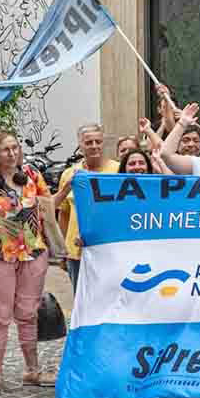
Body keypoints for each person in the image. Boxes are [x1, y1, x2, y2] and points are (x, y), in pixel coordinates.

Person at [0, 132, 59, 397]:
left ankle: (32, 369)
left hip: (33, 252)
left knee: (28, 314)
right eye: (5, 149)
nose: (12, 153)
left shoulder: (31, 174)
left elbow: (49, 206)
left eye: (15, 147)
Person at [58, 124, 121, 293]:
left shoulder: (118, 171)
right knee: (80, 299)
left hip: (109, 250)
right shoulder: (69, 174)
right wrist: (63, 249)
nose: (94, 146)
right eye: (88, 142)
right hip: (76, 252)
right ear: (80, 145)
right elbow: (64, 214)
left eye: (98, 141)